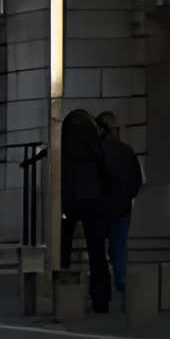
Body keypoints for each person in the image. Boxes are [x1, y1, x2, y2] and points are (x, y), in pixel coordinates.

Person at [88, 109, 143, 312]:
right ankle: (122, 284)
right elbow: (137, 180)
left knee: (98, 251)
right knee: (119, 248)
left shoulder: (95, 152)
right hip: (121, 207)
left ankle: (101, 292)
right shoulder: (126, 151)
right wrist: (127, 196)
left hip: (100, 207)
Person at [56, 109, 100, 282]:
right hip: (90, 198)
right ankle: (99, 292)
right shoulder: (95, 147)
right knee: (95, 247)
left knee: (64, 243)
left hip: (69, 198)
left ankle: (62, 279)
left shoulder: (65, 150)